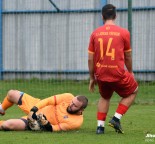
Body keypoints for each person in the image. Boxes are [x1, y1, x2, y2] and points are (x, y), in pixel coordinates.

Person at [88, 4, 138, 134]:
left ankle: (100, 127)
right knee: (133, 90)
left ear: (102, 16)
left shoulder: (95, 33)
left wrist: (91, 77)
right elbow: (128, 56)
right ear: (116, 16)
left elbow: (90, 59)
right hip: (117, 73)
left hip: (101, 73)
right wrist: (131, 72)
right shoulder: (124, 33)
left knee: (105, 97)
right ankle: (116, 118)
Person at [0, 90, 88, 132]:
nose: (71, 105)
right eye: (72, 102)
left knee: (6, 125)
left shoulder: (76, 122)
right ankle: (1, 109)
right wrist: (34, 109)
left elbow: (54, 129)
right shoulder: (68, 97)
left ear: (81, 110)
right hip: (37, 105)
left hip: (36, 122)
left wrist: (45, 123)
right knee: (11, 94)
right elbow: (48, 101)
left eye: (74, 106)